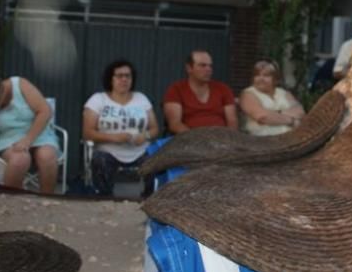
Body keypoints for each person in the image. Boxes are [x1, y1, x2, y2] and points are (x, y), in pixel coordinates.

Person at [82, 60, 159, 197]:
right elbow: (87, 133)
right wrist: (114, 137)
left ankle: (148, 197)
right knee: (100, 159)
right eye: (119, 76)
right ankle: (104, 197)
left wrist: (145, 136)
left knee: (154, 158)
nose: (124, 79)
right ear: (110, 79)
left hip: (139, 150)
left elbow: (154, 129)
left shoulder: (141, 99)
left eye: (128, 76)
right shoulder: (98, 100)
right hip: (108, 151)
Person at [0, 76, 61, 194]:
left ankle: (47, 199)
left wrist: (27, 140)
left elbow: (45, 111)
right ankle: (13, 201)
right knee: (19, 159)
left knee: (47, 156)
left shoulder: (19, 84)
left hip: (39, 133)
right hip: (8, 138)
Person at [163, 50, 237, 133]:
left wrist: (227, 139)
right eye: (202, 65)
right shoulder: (176, 89)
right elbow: (175, 124)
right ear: (189, 68)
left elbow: (232, 122)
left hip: (221, 139)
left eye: (210, 66)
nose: (208, 69)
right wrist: (198, 140)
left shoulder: (223, 89)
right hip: (189, 140)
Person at [239, 59, 305, 136]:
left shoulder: (283, 93)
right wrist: (292, 121)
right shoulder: (248, 93)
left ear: (275, 79)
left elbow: (300, 112)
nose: (261, 79)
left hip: (290, 139)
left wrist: (274, 114)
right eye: (257, 75)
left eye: (266, 75)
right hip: (262, 142)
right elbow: (263, 117)